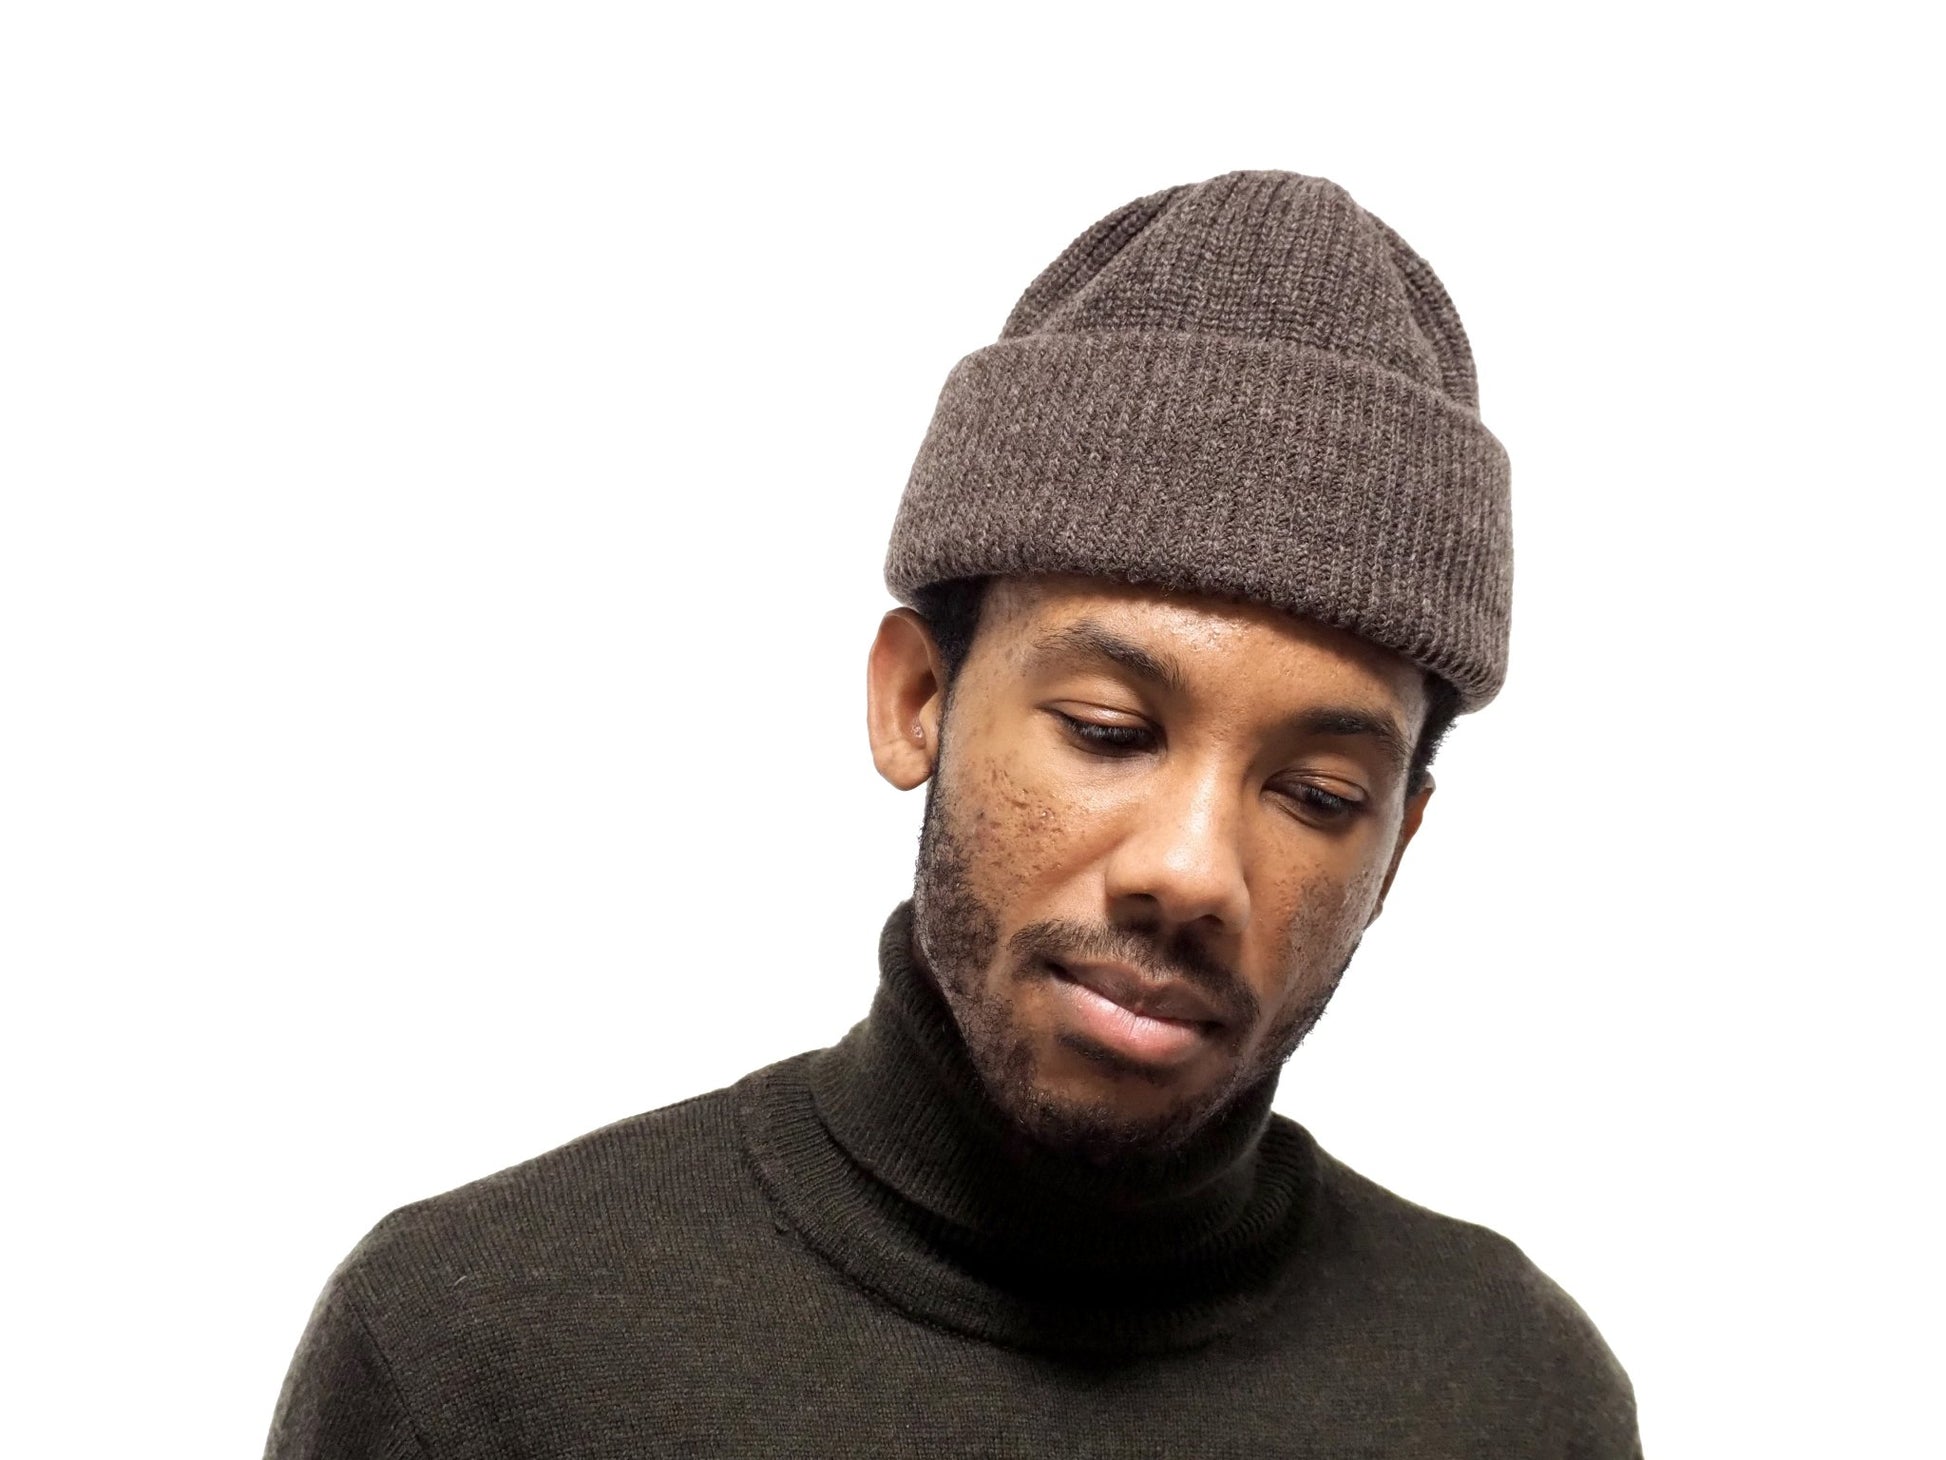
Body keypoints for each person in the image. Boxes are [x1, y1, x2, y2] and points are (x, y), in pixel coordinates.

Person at [265, 170, 1641, 1458]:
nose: (1189, 869)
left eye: (1317, 794)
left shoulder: (1518, 1394)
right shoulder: (481, 1352)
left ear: (1395, 848)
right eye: (1109, 731)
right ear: (917, 697)